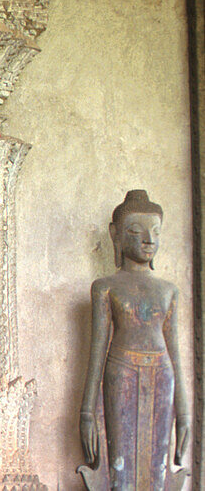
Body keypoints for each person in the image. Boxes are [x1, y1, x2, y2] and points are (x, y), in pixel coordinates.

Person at [80, 189, 190, 489]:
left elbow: (176, 353)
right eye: (136, 231)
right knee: (120, 468)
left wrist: (184, 411)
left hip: (163, 374)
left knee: (157, 469)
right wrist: (87, 411)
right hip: (121, 372)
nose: (148, 239)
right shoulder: (106, 287)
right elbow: (97, 351)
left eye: (155, 231)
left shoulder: (169, 291)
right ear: (116, 235)